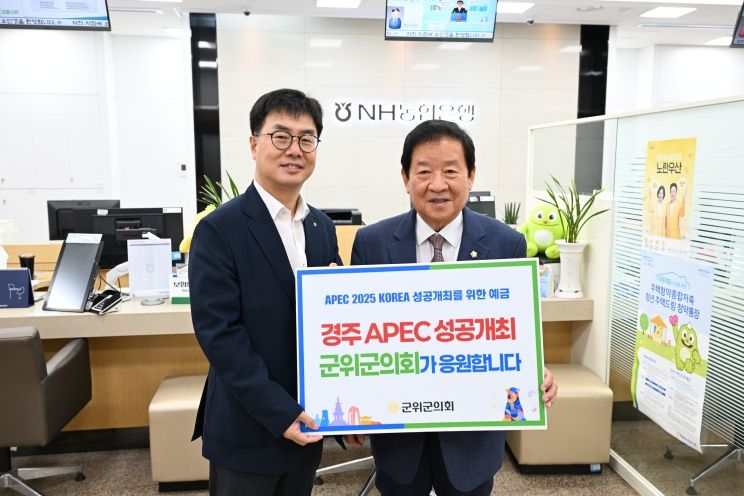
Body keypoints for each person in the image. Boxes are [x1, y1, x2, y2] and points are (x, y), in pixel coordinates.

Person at [346, 119, 557, 496]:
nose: (437, 184)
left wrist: (533, 370)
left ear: (471, 175)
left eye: (450, 171)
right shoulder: (371, 243)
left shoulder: (505, 244)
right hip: (399, 440)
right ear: (405, 178)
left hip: (471, 441)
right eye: (424, 172)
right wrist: (352, 400)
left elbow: (514, 331)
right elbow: (358, 337)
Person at [189, 88, 342, 496]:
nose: (295, 149)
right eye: (281, 136)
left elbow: (336, 326)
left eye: (306, 139)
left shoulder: (322, 228)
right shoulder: (219, 229)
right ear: (254, 144)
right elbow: (220, 336)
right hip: (248, 428)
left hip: (308, 426)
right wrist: (280, 413)